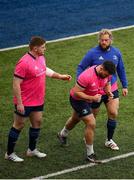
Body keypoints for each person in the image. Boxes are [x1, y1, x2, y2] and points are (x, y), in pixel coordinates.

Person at [5, 36, 71, 162]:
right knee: (19, 125)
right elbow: (16, 83)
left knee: (37, 123)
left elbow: (44, 70)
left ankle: (31, 150)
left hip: (38, 99)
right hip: (25, 101)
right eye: (43, 47)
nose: (45, 49)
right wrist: (19, 103)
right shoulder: (23, 62)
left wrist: (60, 76)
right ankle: (9, 153)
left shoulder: (41, 57)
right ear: (35, 48)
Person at [76, 29, 128, 150]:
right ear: (99, 40)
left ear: (110, 40)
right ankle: (88, 135)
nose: (104, 42)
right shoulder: (92, 53)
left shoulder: (116, 53)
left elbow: (121, 69)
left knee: (113, 113)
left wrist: (125, 86)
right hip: (96, 91)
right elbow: (81, 67)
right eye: (102, 40)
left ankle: (109, 140)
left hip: (112, 88)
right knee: (92, 116)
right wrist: (80, 82)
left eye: (106, 40)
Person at [57, 61, 116, 163]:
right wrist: (92, 98)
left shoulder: (107, 74)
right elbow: (76, 93)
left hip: (89, 99)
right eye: (106, 74)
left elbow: (107, 83)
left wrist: (108, 92)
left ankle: (62, 134)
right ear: (101, 68)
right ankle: (90, 154)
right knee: (91, 122)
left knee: (75, 119)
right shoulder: (86, 76)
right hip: (78, 100)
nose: (107, 76)